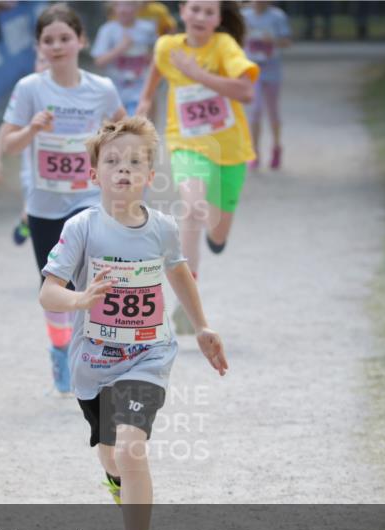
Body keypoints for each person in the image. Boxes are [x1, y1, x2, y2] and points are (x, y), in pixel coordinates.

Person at [39, 116, 227, 530]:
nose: (124, 170)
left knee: (130, 447)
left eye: (136, 162)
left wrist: (202, 326)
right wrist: (80, 300)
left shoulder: (162, 228)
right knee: (111, 455)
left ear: (150, 175)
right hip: (94, 363)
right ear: (94, 174)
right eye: (113, 162)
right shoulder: (82, 227)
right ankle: (118, 484)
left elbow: (180, 273)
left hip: (148, 355)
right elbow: (48, 294)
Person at [0, 3, 125, 394]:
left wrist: (112, 147)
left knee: (95, 279)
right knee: (54, 288)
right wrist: (32, 129)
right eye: (48, 40)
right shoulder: (30, 89)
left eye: (64, 38)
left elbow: (123, 129)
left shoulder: (101, 89)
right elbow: (10, 145)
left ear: (81, 41)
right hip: (44, 205)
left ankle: (96, 351)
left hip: (87, 201)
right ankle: (59, 350)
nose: (57, 46)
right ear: (39, 45)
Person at [136, 0, 257, 333]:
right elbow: (148, 94)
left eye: (209, 11)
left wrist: (197, 74)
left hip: (230, 150)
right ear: (183, 11)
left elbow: (245, 91)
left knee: (217, 233)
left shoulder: (224, 46)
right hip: (187, 144)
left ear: (219, 18)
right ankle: (189, 298)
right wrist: (135, 133)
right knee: (191, 207)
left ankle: (217, 239)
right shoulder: (166, 47)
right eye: (195, 9)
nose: (201, 17)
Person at [0, 48, 47, 247]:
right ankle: (26, 220)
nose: (45, 65)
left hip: (65, 174)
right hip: (32, 168)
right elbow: (5, 129)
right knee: (34, 204)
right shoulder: (27, 91)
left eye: (49, 61)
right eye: (41, 61)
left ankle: (26, 220)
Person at [241, 1, 291, 170]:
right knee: (255, 111)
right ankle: (254, 153)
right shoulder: (244, 16)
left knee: (272, 111)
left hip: (272, 69)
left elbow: (287, 41)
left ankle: (276, 147)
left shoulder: (277, 16)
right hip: (251, 70)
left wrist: (272, 41)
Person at [91, 2, 158, 116]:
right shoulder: (107, 30)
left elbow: (156, 58)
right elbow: (99, 61)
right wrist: (120, 49)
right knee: (121, 130)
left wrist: (150, 57)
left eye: (129, 4)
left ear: (138, 7)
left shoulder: (148, 28)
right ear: (113, 8)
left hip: (141, 90)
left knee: (139, 127)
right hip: (115, 93)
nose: (124, 10)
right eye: (119, 5)